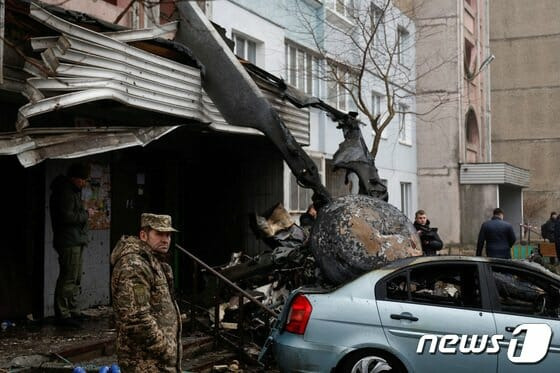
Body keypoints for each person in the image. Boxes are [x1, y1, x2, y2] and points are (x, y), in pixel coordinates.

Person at [111, 213, 182, 373]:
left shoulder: (153, 261)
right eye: (159, 234)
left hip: (156, 361)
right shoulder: (134, 265)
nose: (165, 239)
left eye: (168, 235)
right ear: (143, 235)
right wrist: (166, 349)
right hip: (144, 362)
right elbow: (137, 318)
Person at [50, 162, 94, 327]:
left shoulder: (71, 191)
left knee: (75, 278)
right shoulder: (65, 192)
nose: (84, 183)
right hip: (68, 240)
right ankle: (63, 314)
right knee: (68, 278)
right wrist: (85, 214)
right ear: (75, 178)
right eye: (83, 179)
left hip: (75, 239)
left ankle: (73, 311)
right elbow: (67, 217)